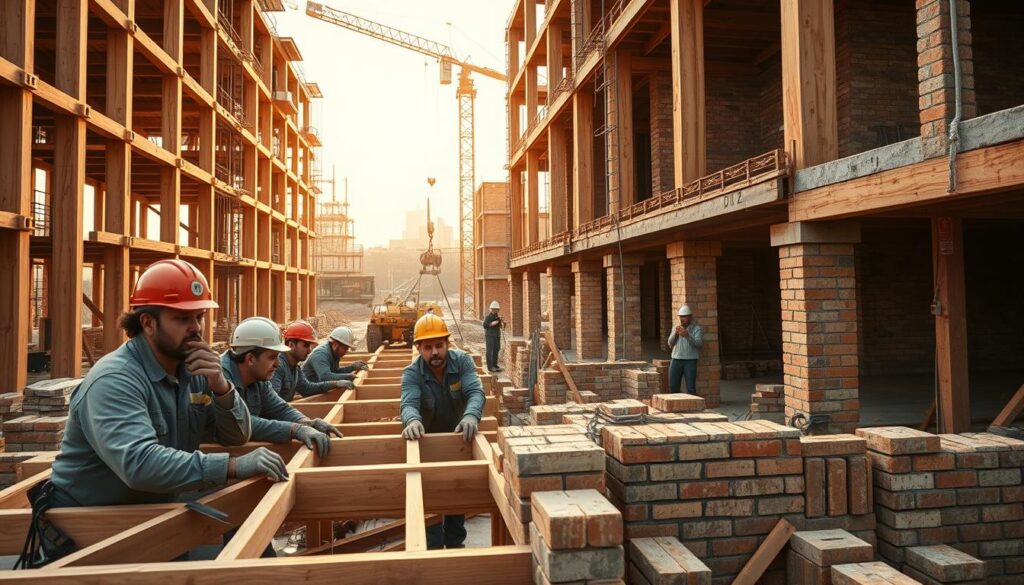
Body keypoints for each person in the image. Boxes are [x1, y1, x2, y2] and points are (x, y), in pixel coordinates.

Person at [31, 260, 286, 565]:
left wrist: (222, 387)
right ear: (148, 323)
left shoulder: (195, 371)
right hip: (87, 528)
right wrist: (231, 466)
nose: (196, 328)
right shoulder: (116, 379)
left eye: (199, 316)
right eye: (182, 318)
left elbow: (235, 435)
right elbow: (139, 464)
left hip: (154, 511)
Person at [400, 314, 486, 550]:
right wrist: (412, 420)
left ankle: (456, 547)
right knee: (431, 508)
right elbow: (408, 403)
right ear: (418, 348)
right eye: (428, 348)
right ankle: (434, 551)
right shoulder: (412, 373)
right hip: (427, 445)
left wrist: (471, 416)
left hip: (459, 440)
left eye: (439, 345)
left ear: (447, 343)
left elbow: (475, 392)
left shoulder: (463, 362)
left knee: (457, 498)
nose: (435, 352)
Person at [221, 317, 342, 458]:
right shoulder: (220, 379)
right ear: (250, 359)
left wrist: (306, 422)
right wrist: (293, 429)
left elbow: (279, 408)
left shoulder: (259, 377)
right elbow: (240, 422)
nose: (277, 364)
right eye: (272, 357)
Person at [272, 320, 350, 401]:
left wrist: (335, 384)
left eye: (310, 346)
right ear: (291, 345)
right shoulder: (278, 367)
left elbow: (307, 389)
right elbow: (273, 403)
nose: (309, 350)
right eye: (305, 345)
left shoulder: (295, 368)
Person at [302, 326, 367, 383]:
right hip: (306, 390)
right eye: (345, 348)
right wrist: (347, 376)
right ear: (335, 345)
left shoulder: (334, 353)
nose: (346, 352)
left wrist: (352, 367)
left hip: (319, 386)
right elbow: (325, 377)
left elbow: (334, 372)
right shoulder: (320, 355)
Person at [667, 304, 704, 394]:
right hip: (676, 359)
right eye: (681, 317)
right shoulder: (676, 328)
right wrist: (675, 334)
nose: (682, 319)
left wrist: (687, 336)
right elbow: (670, 343)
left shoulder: (696, 328)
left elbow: (699, 344)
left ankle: (693, 403)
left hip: (690, 361)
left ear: (690, 317)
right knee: (673, 386)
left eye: (685, 317)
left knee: (691, 388)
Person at [482, 301, 504, 373]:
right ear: (491, 309)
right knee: (490, 351)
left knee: (496, 350)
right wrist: (491, 324)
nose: (496, 310)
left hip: (497, 335)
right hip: (490, 336)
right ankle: (490, 367)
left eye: (497, 309)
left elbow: (501, 327)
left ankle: (495, 365)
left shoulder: (497, 318)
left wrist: (502, 322)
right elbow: (485, 325)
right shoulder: (488, 317)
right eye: (494, 309)